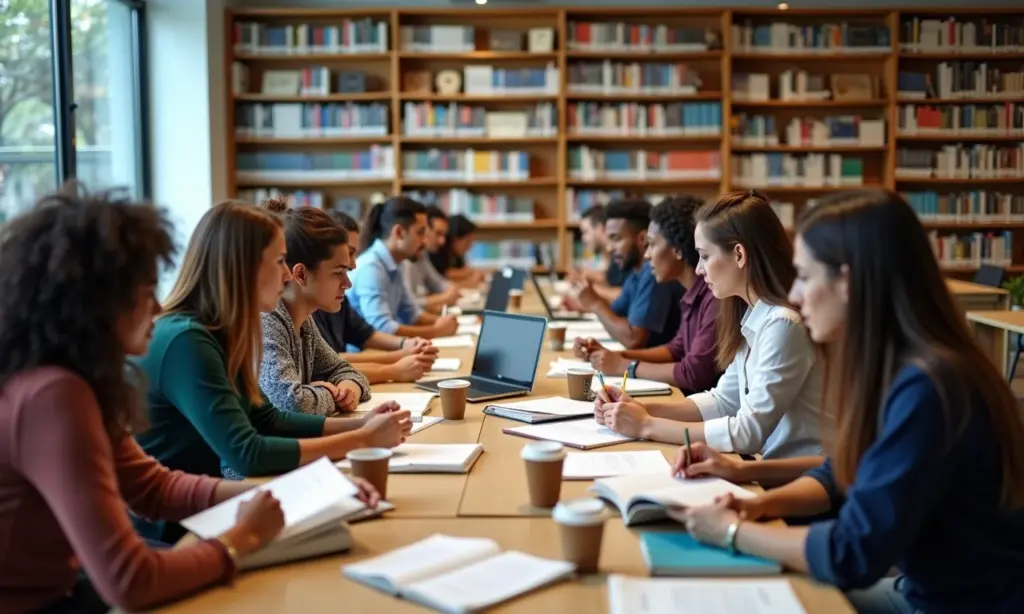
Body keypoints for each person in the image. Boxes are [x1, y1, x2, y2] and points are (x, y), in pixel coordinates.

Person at [0, 186, 377, 613]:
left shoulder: (79, 382)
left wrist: (296, 495)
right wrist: (244, 538)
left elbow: (151, 485)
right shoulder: (53, 396)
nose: (158, 303)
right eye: (144, 291)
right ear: (93, 303)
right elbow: (130, 581)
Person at [678, 189, 1024, 614]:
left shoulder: (929, 387)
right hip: (918, 592)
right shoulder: (900, 364)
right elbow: (842, 469)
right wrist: (757, 503)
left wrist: (733, 531)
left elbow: (854, 552)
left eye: (804, 277)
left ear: (849, 282)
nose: (797, 295)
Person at [136, 201, 411, 486]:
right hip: (181, 525)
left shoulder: (225, 330)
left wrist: (361, 424)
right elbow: (247, 453)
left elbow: (267, 419)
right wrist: (362, 439)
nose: (287, 274)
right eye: (280, 261)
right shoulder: (188, 340)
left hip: (215, 499)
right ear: (244, 266)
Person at [594, 191, 826, 462]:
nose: (700, 270)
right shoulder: (752, 314)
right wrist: (638, 408)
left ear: (739, 254)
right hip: (768, 471)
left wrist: (646, 424)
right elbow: (724, 401)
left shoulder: (783, 325)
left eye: (705, 256)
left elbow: (748, 433)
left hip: (798, 482)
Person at [578, 195, 720, 393]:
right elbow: (675, 349)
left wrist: (624, 366)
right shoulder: (691, 293)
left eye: (652, 244)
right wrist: (614, 356)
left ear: (677, 249)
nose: (647, 254)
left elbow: (692, 374)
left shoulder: (714, 297)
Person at [257, 199, 372, 417]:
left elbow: (345, 371)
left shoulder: (303, 321)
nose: (347, 283)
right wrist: (328, 395)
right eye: (338, 272)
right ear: (300, 274)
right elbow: (291, 404)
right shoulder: (268, 319)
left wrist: (348, 390)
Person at [313, 210, 439, 384]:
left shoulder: (335, 298)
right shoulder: (370, 268)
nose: (354, 264)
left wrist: (405, 345)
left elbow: (366, 334)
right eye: (348, 253)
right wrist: (396, 362)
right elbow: (329, 364)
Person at [567, 198, 684, 350]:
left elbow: (633, 339)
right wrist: (585, 301)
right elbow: (615, 312)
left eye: (616, 238)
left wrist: (594, 303)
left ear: (642, 239)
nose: (609, 248)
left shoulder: (654, 274)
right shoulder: (636, 272)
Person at [347, 196, 459, 339]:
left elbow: (411, 313)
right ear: (398, 232)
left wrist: (443, 322)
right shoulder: (372, 267)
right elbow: (382, 328)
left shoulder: (396, 262)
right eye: (420, 233)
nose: (424, 241)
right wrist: (436, 330)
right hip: (366, 355)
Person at [404, 205, 460, 311]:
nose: (442, 241)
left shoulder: (421, 255)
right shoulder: (405, 260)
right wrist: (442, 298)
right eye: (438, 233)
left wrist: (451, 289)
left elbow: (437, 282)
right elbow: (407, 304)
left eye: (444, 235)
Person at [577, 204, 627, 290]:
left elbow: (623, 294)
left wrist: (589, 289)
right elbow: (610, 280)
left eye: (585, 232)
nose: (583, 238)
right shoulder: (610, 257)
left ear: (600, 229)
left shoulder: (619, 255)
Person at [429, 213, 485, 286]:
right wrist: (470, 276)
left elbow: (462, 269)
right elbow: (445, 274)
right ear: (454, 239)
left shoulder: (456, 254)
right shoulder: (437, 249)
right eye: (467, 242)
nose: (470, 247)